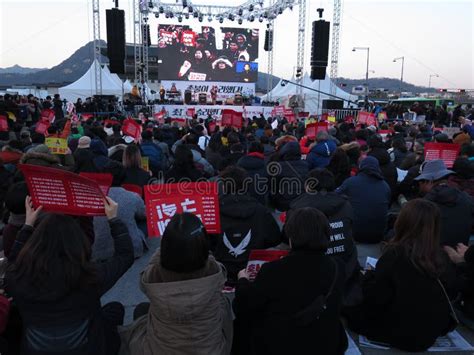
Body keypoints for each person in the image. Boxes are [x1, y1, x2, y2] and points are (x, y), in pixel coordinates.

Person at [6, 196, 134, 355]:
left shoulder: (17, 278)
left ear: (34, 245)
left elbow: (12, 262)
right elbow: (125, 256)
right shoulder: (91, 277)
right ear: (78, 244)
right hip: (90, 347)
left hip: (35, 349)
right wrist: (114, 219)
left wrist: (27, 225)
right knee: (115, 309)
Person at [344, 199, 457, 352]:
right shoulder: (442, 257)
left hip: (400, 333)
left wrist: (368, 279)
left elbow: (375, 300)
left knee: (349, 307)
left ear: (403, 222)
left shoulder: (395, 255)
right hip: (428, 334)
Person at [233, 207, 348, 355]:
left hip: (280, 345)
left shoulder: (273, 270)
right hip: (325, 344)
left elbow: (243, 308)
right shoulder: (337, 266)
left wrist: (242, 280)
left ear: (291, 237)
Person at [119, 213, 233, 355]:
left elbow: (149, 269)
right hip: (211, 350)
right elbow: (208, 256)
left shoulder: (152, 275)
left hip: (159, 350)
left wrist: (172, 243)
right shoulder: (215, 271)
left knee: (142, 310)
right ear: (203, 246)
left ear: (165, 247)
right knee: (224, 303)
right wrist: (191, 244)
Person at [289, 169, 359, 304]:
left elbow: (289, 238)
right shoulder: (345, 204)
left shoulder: (297, 208)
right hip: (344, 270)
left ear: (309, 186)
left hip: (310, 273)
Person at [212, 166, 281, 283]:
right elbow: (274, 238)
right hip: (251, 270)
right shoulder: (261, 211)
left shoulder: (212, 211)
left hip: (220, 270)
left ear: (223, 186)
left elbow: (205, 242)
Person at [93, 165, 147, 260]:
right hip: (131, 248)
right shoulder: (132, 196)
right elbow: (144, 214)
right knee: (143, 220)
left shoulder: (93, 197)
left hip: (100, 249)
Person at [416, 159, 474, 247]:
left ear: (429, 181)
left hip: (430, 256)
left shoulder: (423, 205)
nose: (419, 185)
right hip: (459, 253)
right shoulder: (467, 199)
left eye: (421, 181)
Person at [337, 156, 391, 243]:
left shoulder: (350, 182)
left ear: (361, 167)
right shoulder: (385, 186)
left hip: (355, 234)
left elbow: (336, 197)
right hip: (379, 235)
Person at [269, 141, 309, 211]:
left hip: (284, 202)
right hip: (302, 200)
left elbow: (273, 188)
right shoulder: (306, 165)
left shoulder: (279, 166)